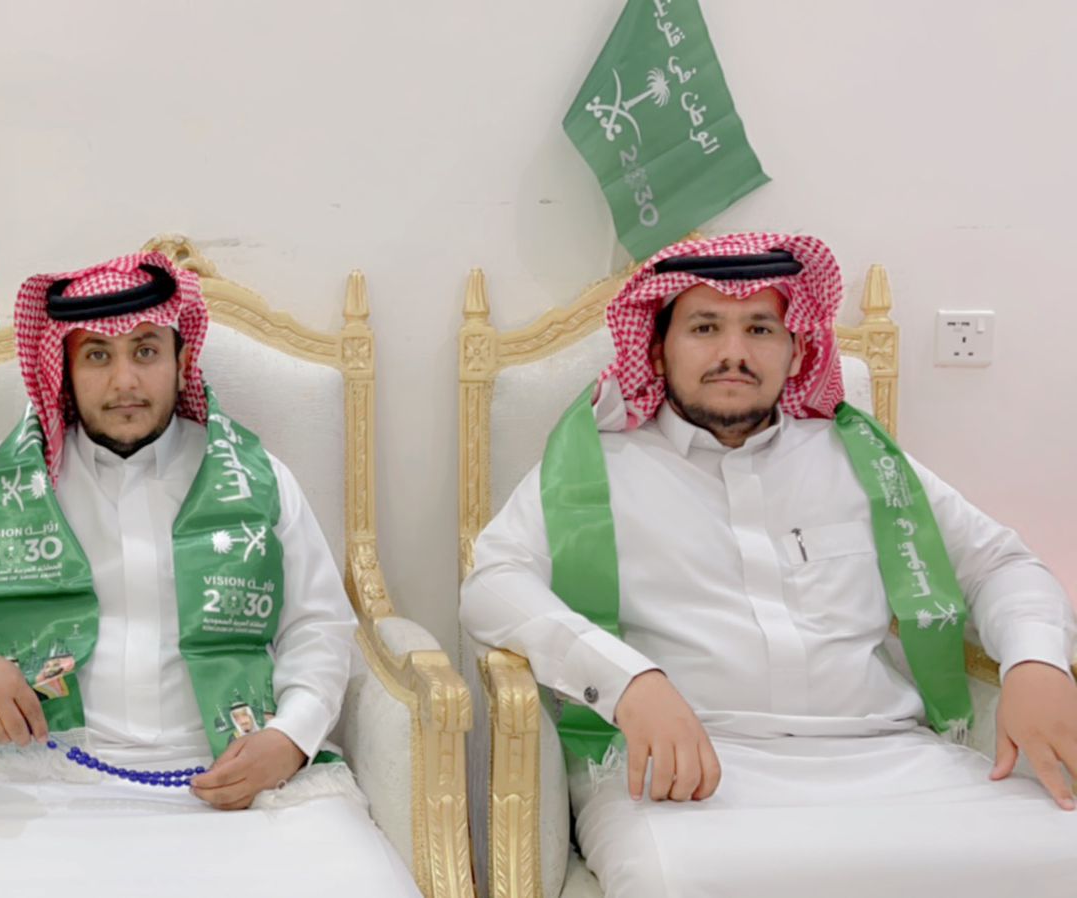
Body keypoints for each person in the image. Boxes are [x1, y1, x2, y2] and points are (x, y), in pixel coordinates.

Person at [461, 233, 1077, 898]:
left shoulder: (862, 461)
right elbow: (494, 582)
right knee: (676, 882)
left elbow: (1000, 562)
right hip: (689, 770)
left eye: (760, 328)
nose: (734, 352)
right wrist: (626, 682)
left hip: (892, 756)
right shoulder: (593, 468)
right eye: (705, 328)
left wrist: (1036, 660)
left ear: (797, 349)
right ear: (658, 349)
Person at [0, 252, 418, 897]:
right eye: (97, 356)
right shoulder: (7, 483)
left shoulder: (252, 477)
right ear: (63, 369)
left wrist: (291, 736)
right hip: (32, 778)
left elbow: (318, 624)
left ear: (181, 360)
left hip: (232, 775)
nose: (124, 380)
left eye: (145, 351)